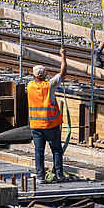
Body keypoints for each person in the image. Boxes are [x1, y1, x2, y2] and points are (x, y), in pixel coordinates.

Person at [27, 48, 68, 183]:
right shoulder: (50, 85)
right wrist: (63, 56)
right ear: (46, 75)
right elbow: (63, 73)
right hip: (51, 125)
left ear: (34, 76)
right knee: (56, 150)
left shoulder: (30, 86)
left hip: (36, 126)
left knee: (39, 152)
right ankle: (59, 175)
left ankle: (40, 177)